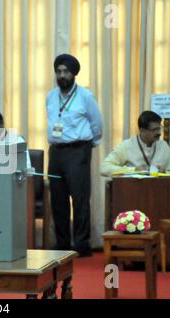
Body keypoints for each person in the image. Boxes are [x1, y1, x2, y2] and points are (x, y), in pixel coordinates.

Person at [46, 54, 103, 257]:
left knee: (79, 198)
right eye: (59, 71)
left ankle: (81, 244)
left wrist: (89, 145)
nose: (62, 75)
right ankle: (61, 243)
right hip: (56, 152)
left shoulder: (85, 96)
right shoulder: (51, 96)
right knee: (58, 199)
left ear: (74, 74)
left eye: (66, 72)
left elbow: (97, 123)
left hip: (78, 150)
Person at [101, 111, 170, 176]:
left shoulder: (164, 146)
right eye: (154, 130)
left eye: (159, 128)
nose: (159, 133)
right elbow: (104, 168)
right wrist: (133, 170)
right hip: (132, 187)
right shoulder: (126, 146)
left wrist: (164, 172)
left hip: (158, 187)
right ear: (142, 130)